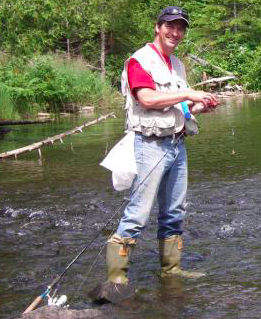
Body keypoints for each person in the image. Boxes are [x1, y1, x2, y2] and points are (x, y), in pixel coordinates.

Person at [91, 6, 219, 302]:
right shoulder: (139, 60)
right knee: (137, 215)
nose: (175, 32)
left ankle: (171, 271)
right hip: (148, 145)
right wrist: (189, 94)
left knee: (175, 213)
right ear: (157, 27)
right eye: (170, 26)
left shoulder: (177, 65)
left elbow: (181, 108)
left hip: (177, 145)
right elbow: (146, 98)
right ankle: (116, 278)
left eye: (181, 28)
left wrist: (200, 106)